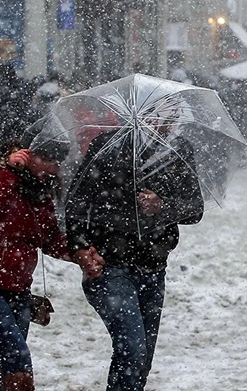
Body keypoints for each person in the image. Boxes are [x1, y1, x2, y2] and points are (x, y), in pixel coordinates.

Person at [64, 117, 204, 391]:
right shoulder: (108, 146)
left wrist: (162, 206)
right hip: (111, 265)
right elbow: (77, 202)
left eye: (174, 114)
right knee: (132, 349)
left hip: (153, 267)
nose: (169, 121)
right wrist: (80, 247)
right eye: (164, 113)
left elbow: (194, 208)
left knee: (142, 360)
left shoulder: (178, 150)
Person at [0, 140, 103, 391]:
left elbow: (50, 238)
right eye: (48, 159)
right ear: (27, 155)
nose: (54, 167)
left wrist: (80, 254)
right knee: (16, 361)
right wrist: (10, 175)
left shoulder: (39, 190)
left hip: (16, 291)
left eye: (58, 161)